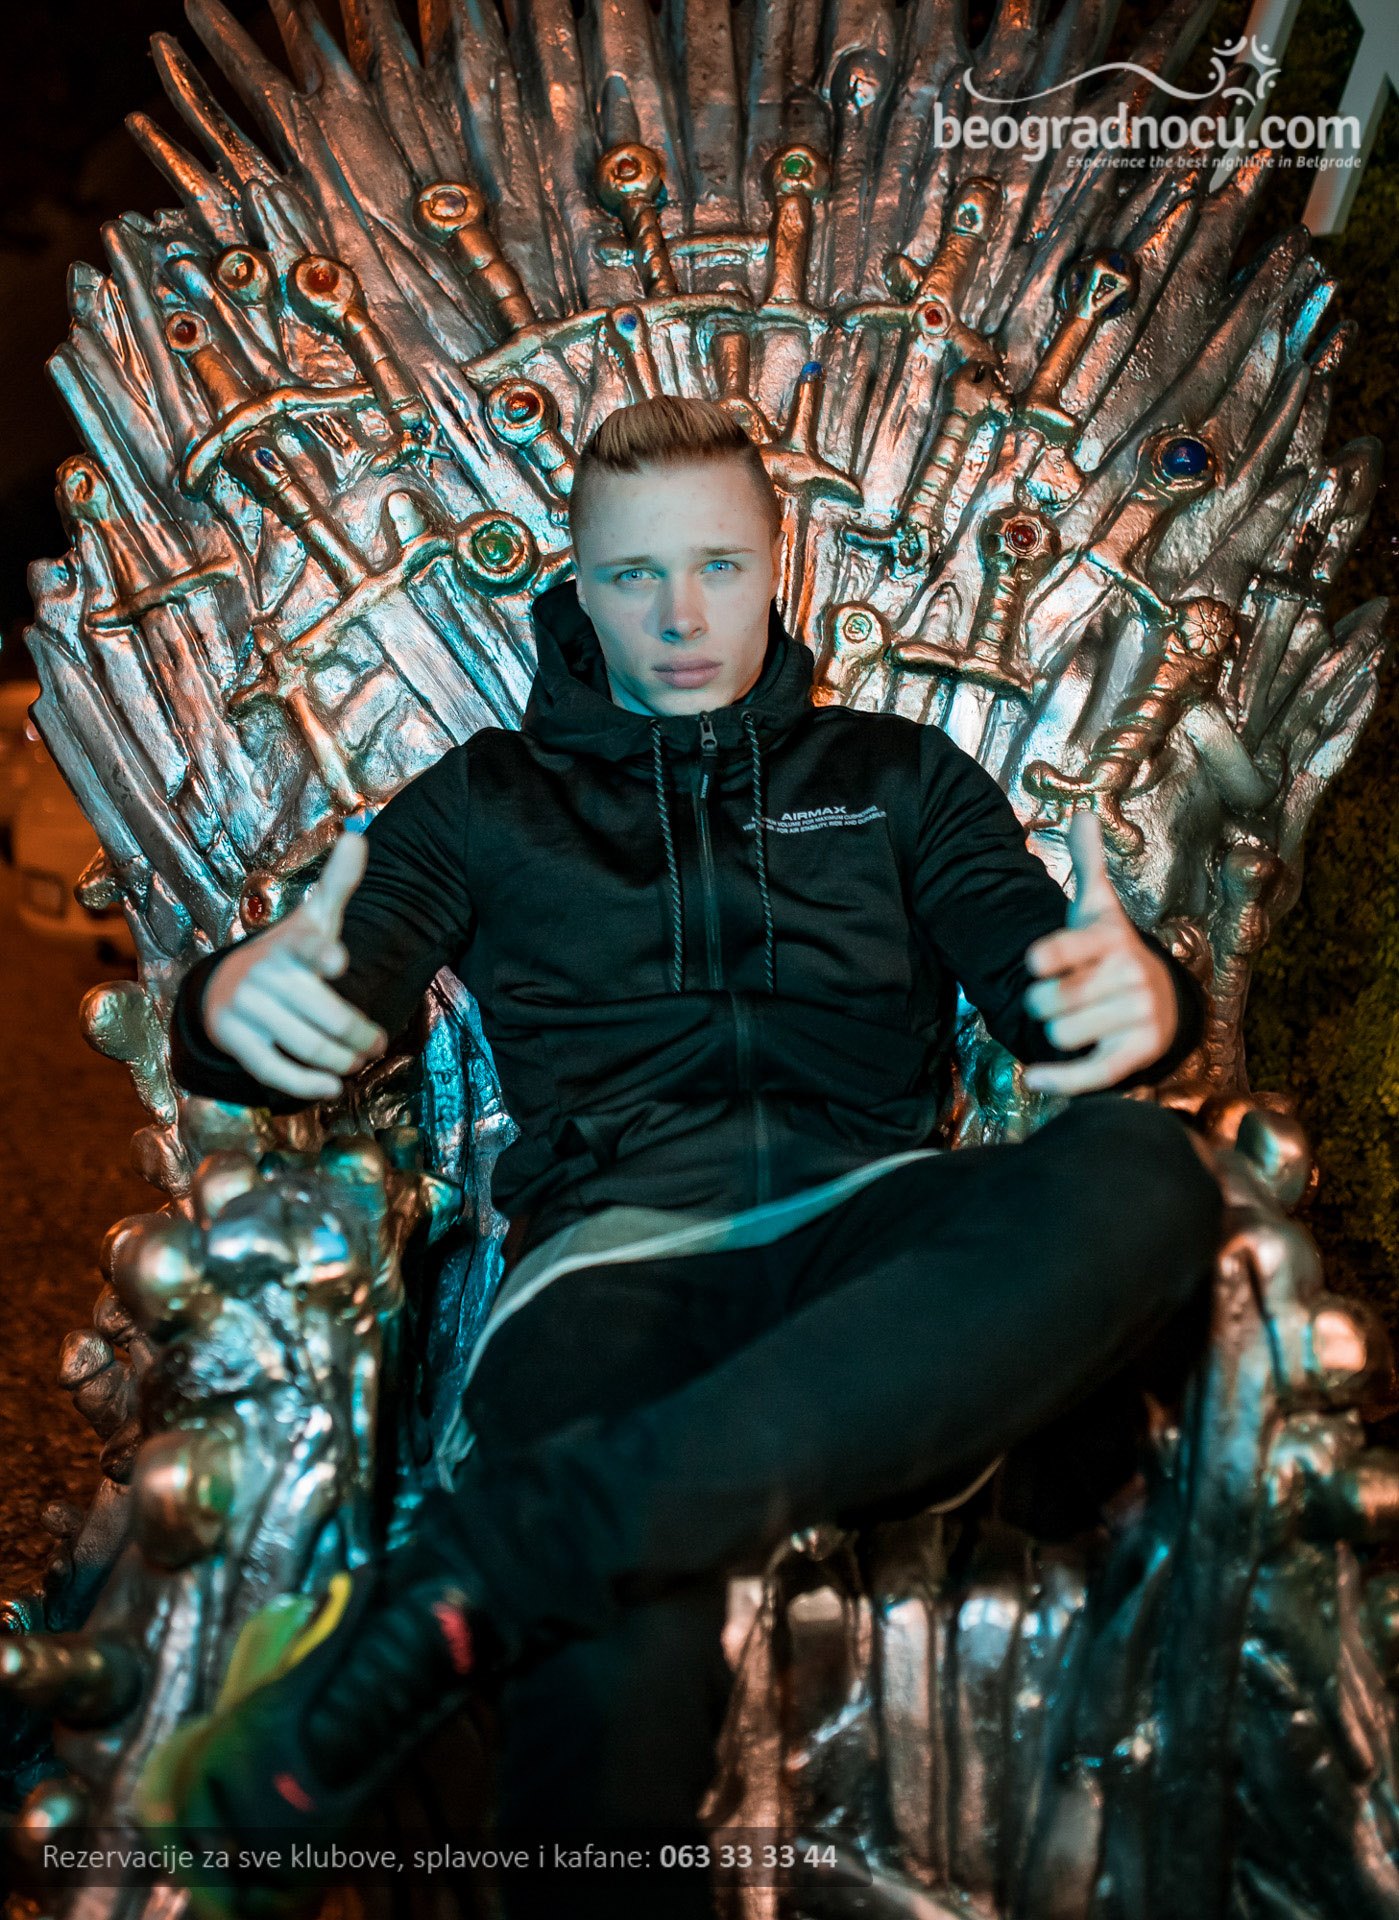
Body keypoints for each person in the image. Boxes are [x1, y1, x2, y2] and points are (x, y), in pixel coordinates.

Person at [159, 397, 1223, 1917]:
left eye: (719, 566)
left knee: (1149, 1172)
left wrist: (1141, 1000)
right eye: (634, 575)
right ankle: (546, 1554)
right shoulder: (488, 800)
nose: (680, 617)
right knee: (622, 1648)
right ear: (578, 586)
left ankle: (501, 1555)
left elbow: (1049, 989)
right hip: (612, 1269)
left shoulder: (901, 775)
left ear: (779, 565)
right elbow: (336, 978)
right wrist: (232, 1006)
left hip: (881, 1237)